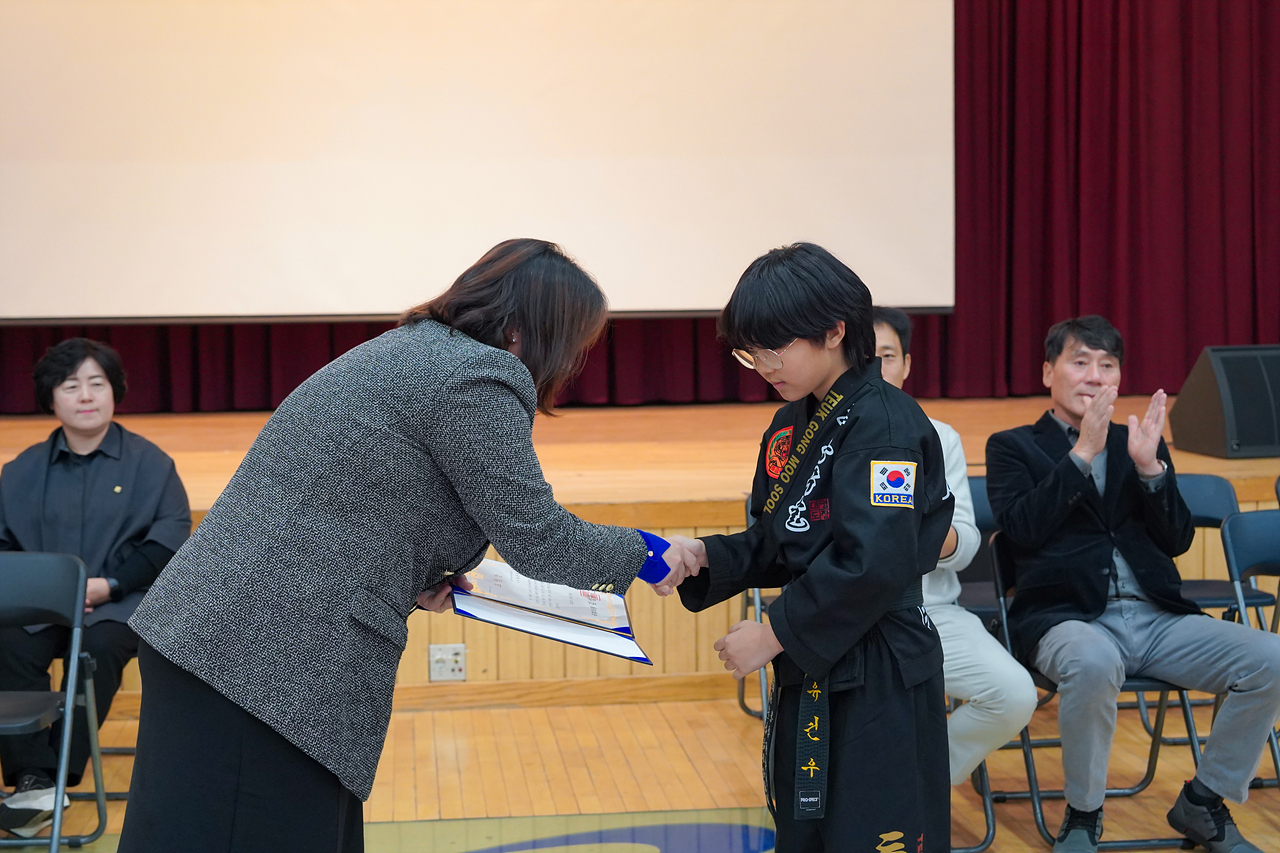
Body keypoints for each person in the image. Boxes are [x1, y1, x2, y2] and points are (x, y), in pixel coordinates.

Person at [116, 239, 701, 853]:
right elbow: (539, 538)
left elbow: (361, 498)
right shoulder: (480, 375)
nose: (574, 363)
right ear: (530, 332)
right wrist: (648, 551)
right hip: (263, 662)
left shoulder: (409, 348)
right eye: (575, 345)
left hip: (216, 637)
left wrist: (414, 569)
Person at [671, 244, 955, 852]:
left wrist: (774, 631)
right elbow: (777, 544)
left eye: (775, 347)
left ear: (834, 331)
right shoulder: (789, 425)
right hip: (817, 654)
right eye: (751, 352)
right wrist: (704, 557)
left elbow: (874, 562)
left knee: (872, 832)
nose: (763, 364)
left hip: (880, 662)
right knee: (806, 833)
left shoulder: (886, 425)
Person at [985, 315, 1280, 853]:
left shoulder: (1138, 441)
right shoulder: (1012, 447)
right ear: (1048, 370)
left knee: (1270, 657)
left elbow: (1178, 540)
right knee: (1095, 663)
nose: (1095, 377)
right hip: (1066, 618)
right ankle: (1082, 816)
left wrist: (1151, 471)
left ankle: (1204, 801)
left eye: (1108, 365)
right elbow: (1022, 529)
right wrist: (1081, 456)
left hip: (1156, 616)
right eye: (1080, 362)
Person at [0, 338, 190, 839]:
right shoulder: (19, 472)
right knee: (9, 645)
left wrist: (111, 585)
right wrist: (44, 589)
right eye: (70, 385)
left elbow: (169, 540)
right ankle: (34, 779)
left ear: (114, 391)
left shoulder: (151, 465)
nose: (85, 395)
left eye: (96, 383)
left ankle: (58, 775)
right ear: (51, 399)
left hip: (117, 605)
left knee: (99, 650)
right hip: (38, 608)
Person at [872, 307, 1037, 786]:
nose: (877, 369)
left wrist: (923, 527)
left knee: (1013, 694)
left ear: (906, 363)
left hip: (930, 612)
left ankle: (912, 786)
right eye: (864, 357)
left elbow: (964, 546)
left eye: (887, 356)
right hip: (848, 615)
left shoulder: (939, 439)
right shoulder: (820, 439)